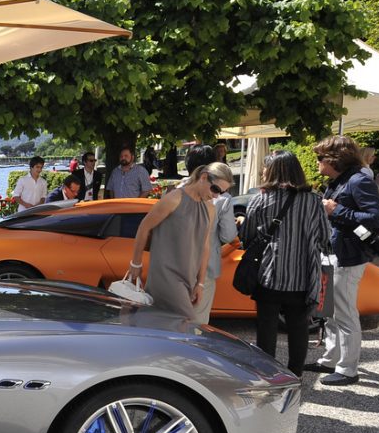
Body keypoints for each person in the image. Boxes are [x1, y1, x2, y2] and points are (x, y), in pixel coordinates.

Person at [240, 152, 331, 376]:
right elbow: (325, 235)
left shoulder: (261, 200)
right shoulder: (313, 200)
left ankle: (267, 375)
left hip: (269, 274)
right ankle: (295, 375)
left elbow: (248, 236)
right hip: (302, 275)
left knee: (266, 328)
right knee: (299, 328)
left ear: (271, 172)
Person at [305, 136, 379, 386]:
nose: (317, 162)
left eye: (320, 158)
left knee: (344, 312)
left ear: (334, 159)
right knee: (329, 310)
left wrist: (336, 210)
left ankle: (348, 369)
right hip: (333, 251)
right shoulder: (342, 179)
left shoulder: (359, 180)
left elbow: (375, 217)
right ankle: (331, 359)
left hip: (348, 255)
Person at [123, 165, 217, 322]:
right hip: (165, 275)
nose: (216, 195)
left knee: (165, 324)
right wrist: (136, 263)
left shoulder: (209, 208)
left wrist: (200, 283)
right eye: (215, 189)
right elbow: (145, 226)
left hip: (187, 276)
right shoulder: (174, 198)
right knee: (187, 325)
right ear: (204, 177)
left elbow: (205, 245)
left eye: (221, 191)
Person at [194, 162, 239, 326]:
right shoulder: (223, 201)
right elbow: (228, 235)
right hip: (205, 268)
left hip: (177, 265)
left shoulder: (180, 191)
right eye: (217, 189)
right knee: (198, 321)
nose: (217, 195)